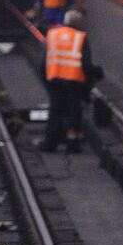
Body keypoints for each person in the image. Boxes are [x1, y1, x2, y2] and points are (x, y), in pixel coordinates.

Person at [40, 10, 92, 153]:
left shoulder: (52, 35)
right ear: (79, 23)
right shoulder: (81, 37)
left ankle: (50, 143)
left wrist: (46, 80)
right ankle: (72, 144)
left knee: (55, 112)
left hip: (54, 80)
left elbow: (43, 62)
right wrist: (87, 87)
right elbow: (86, 64)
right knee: (73, 113)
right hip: (74, 81)